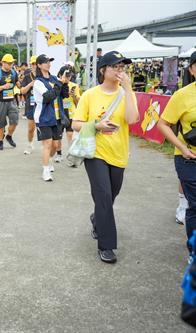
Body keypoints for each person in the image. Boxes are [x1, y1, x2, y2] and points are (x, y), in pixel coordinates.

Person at [72, 51, 139, 263]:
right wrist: (96, 125)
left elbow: (132, 119)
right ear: (103, 70)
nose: (120, 71)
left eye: (123, 67)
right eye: (116, 67)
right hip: (95, 152)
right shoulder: (90, 95)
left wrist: (128, 88)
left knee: (110, 195)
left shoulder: (127, 93)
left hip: (118, 152)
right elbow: (75, 123)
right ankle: (106, 245)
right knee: (103, 195)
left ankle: (97, 219)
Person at [158, 50, 196, 245]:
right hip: (189, 158)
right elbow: (162, 124)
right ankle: (194, 252)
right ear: (191, 69)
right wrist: (181, 147)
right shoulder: (183, 95)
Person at [33, 54, 69, 181]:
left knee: (55, 145)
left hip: (57, 116)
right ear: (39, 65)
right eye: (46, 62)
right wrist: (59, 83)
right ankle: (45, 170)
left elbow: (64, 95)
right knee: (47, 144)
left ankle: (49, 161)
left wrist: (65, 83)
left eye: (49, 61)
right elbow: (48, 96)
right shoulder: (38, 82)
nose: (48, 64)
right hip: (43, 117)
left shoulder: (54, 78)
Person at [0, 54, 20, 150]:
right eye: (9, 63)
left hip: (11, 100)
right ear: (3, 63)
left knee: (15, 121)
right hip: (0, 102)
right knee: (0, 123)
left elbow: (18, 83)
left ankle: (9, 136)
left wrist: (22, 84)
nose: (11, 64)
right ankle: (0, 141)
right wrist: (3, 87)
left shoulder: (14, 73)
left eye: (12, 63)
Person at [20, 55, 38, 155]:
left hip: (43, 106)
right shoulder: (27, 77)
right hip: (31, 105)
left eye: (36, 63)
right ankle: (30, 144)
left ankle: (48, 148)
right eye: (33, 64)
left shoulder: (45, 75)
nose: (35, 66)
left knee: (45, 128)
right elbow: (22, 91)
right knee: (31, 128)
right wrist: (30, 84)